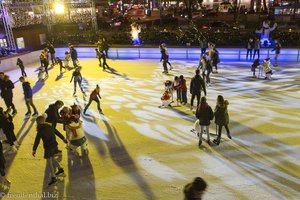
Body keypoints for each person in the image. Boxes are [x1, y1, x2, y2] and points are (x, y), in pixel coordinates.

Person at [32, 114, 67, 186]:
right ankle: (60, 169)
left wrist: (34, 149)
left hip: (48, 148)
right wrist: (63, 138)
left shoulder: (40, 131)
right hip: (54, 145)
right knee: (53, 158)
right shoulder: (50, 126)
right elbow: (57, 132)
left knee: (50, 162)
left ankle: (53, 177)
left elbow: (37, 140)